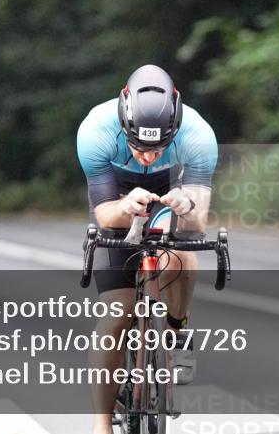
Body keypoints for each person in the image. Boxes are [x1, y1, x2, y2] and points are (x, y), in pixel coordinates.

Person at [77, 64, 217, 434]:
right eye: (138, 146)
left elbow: (197, 223)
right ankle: (101, 425)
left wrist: (185, 204)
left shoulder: (199, 135)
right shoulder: (96, 130)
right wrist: (125, 206)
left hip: (174, 192)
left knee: (183, 253)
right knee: (116, 316)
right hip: (118, 198)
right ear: (124, 126)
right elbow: (106, 214)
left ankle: (177, 326)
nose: (148, 156)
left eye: (158, 148)